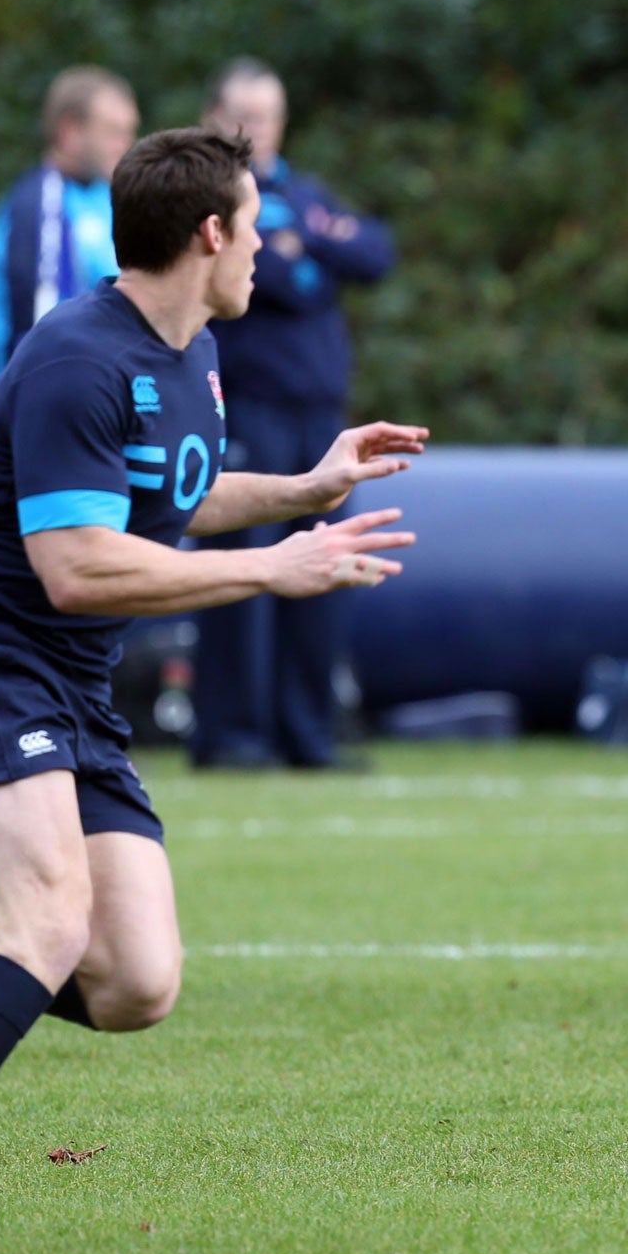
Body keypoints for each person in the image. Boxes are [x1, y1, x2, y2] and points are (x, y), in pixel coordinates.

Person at [0, 127, 427, 1254]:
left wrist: (302, 489)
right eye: (254, 224)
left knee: (134, 982)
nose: (264, 249)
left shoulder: (189, 352)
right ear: (210, 234)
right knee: (47, 925)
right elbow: (76, 565)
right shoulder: (77, 360)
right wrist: (269, 570)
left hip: (74, 690)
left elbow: (168, 500)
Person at [191, 58, 397, 770]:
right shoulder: (209, 196)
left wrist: (307, 241)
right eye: (247, 116)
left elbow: (373, 251)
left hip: (320, 418)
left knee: (327, 569)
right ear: (216, 118)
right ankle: (232, 737)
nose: (261, 130)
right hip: (250, 411)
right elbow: (279, 279)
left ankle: (309, 736)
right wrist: (311, 247)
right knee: (243, 574)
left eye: (271, 115)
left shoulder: (302, 197)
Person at [0, 65, 141, 379]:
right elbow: (38, 331)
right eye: (112, 132)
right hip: (58, 409)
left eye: (129, 132)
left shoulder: (107, 196)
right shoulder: (39, 205)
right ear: (70, 131)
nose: (125, 145)